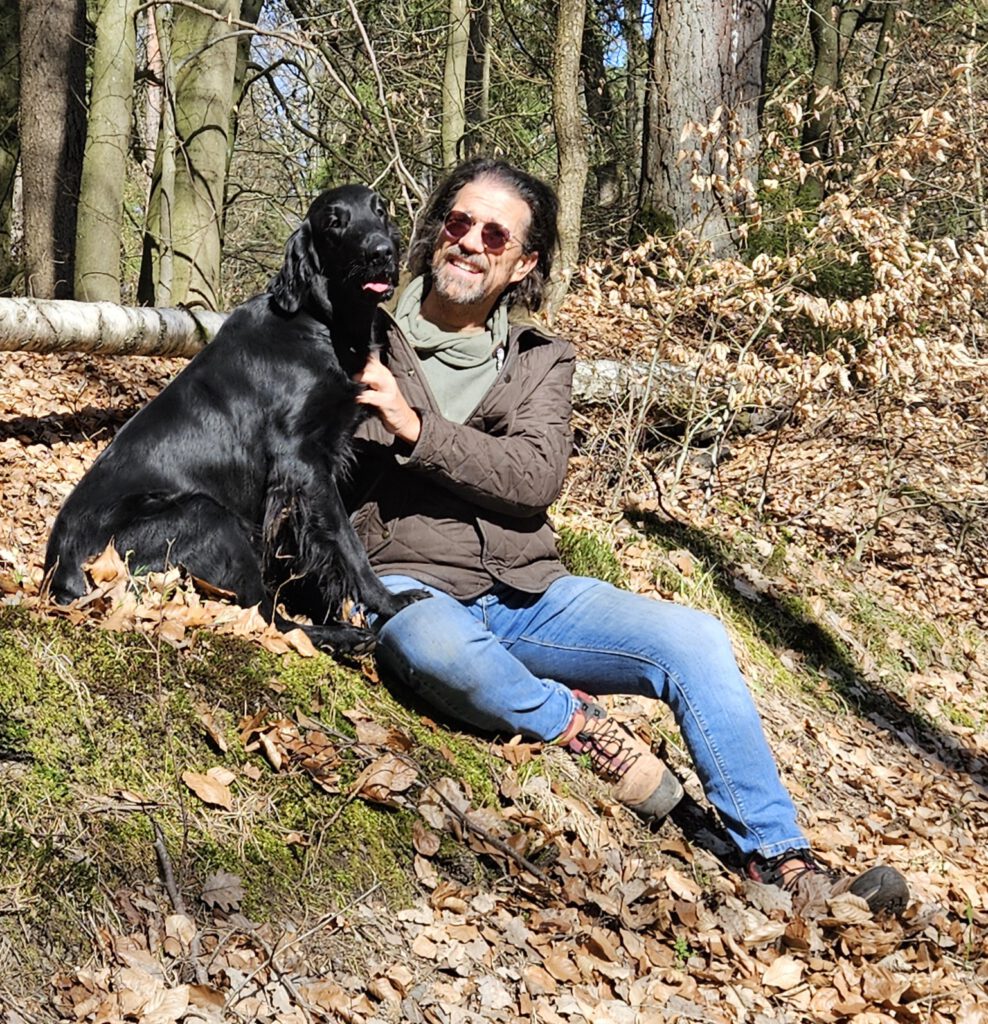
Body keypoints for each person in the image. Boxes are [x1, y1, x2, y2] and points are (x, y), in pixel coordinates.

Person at [347, 157, 909, 916]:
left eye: (495, 235)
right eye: (459, 222)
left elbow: (533, 477)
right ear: (436, 231)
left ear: (523, 264)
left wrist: (416, 428)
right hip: (405, 577)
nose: (471, 242)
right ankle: (575, 724)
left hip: (526, 593)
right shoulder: (360, 334)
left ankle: (781, 859)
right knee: (433, 644)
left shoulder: (539, 359)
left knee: (692, 637)